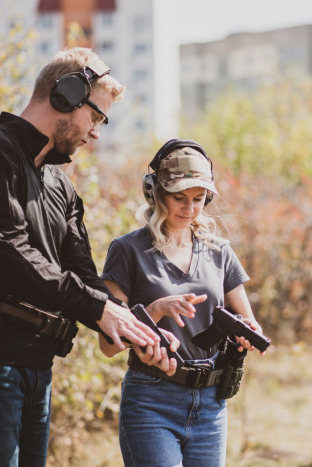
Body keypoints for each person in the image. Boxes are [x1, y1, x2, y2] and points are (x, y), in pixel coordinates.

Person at [0, 47, 177, 467]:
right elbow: (7, 254)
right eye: (97, 116)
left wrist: (140, 329)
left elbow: (84, 278)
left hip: (37, 365)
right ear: (64, 95)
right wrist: (99, 308)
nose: (97, 132)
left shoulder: (60, 186)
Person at [99, 138, 266, 467]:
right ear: (155, 192)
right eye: (179, 197)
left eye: (199, 199)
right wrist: (158, 309)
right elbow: (107, 344)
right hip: (151, 398)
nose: (190, 209)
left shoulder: (220, 252)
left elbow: (248, 321)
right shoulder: (127, 250)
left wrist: (248, 333)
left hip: (211, 403)